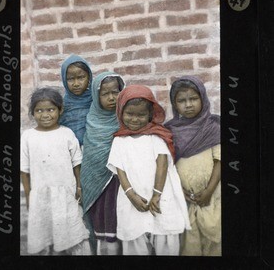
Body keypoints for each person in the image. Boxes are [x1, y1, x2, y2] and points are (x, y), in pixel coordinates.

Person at [107, 85, 190, 256]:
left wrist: (157, 194)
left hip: (159, 197)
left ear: (150, 115)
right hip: (132, 198)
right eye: (130, 114)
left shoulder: (156, 136)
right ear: (121, 112)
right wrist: (132, 196)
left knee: (164, 235)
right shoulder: (119, 140)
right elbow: (119, 170)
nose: (135, 119)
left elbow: (162, 164)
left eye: (141, 115)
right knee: (135, 240)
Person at [21, 87, 91, 255]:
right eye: (39, 110)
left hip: (66, 193)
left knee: (73, 233)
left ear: (60, 110)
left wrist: (79, 187)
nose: (45, 115)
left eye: (51, 110)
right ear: (32, 113)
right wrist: (29, 195)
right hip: (41, 196)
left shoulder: (66, 134)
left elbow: (77, 163)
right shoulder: (28, 136)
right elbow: (24, 170)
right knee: (47, 233)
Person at [165, 76, 221, 256]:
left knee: (215, 240)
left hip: (213, 196)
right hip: (185, 199)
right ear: (174, 104)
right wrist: (180, 191)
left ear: (203, 98)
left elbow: (220, 161)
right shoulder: (170, 131)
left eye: (193, 99)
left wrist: (209, 191)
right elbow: (167, 166)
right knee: (190, 244)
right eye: (181, 100)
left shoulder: (213, 127)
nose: (188, 105)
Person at [80, 72, 125, 255]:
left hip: (120, 182)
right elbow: (90, 157)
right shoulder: (92, 121)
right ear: (96, 96)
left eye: (115, 92)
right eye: (105, 94)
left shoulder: (127, 117)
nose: (111, 98)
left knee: (118, 220)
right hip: (97, 183)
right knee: (102, 221)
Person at [59, 54, 93, 147]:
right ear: (64, 80)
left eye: (81, 77)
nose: (76, 84)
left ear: (89, 77)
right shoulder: (62, 106)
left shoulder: (97, 101)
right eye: (70, 79)